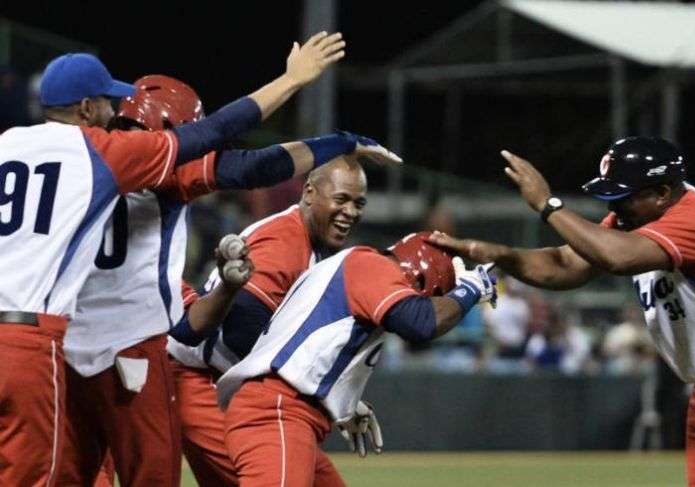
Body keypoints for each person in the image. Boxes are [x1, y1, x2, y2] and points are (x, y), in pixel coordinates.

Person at [0, 32, 344, 487]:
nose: (113, 109)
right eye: (106, 101)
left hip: (63, 346)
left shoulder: (10, 142)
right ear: (86, 107)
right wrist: (332, 135)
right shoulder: (115, 156)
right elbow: (242, 158)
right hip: (120, 346)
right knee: (151, 477)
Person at [58, 69, 398, 485]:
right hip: (176, 371)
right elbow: (253, 166)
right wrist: (323, 385)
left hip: (73, 342)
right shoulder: (175, 179)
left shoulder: (71, 172)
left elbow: (189, 324)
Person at [430, 136, 695, 486]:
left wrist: (548, 205)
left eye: (625, 197)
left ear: (661, 192)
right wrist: (503, 256)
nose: (616, 207)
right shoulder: (639, 218)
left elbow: (617, 257)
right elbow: (566, 264)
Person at [216, 231, 496, 486]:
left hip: (284, 411)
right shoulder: (371, 264)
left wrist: (342, 399)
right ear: (424, 277)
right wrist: (470, 289)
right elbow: (420, 322)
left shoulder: (358, 268)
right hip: (277, 412)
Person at [168, 156, 369, 486]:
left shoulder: (311, 242)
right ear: (308, 193)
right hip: (205, 383)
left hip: (232, 386)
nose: (350, 211)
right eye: (341, 199)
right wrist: (328, 390)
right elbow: (240, 331)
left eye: (358, 203)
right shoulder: (286, 244)